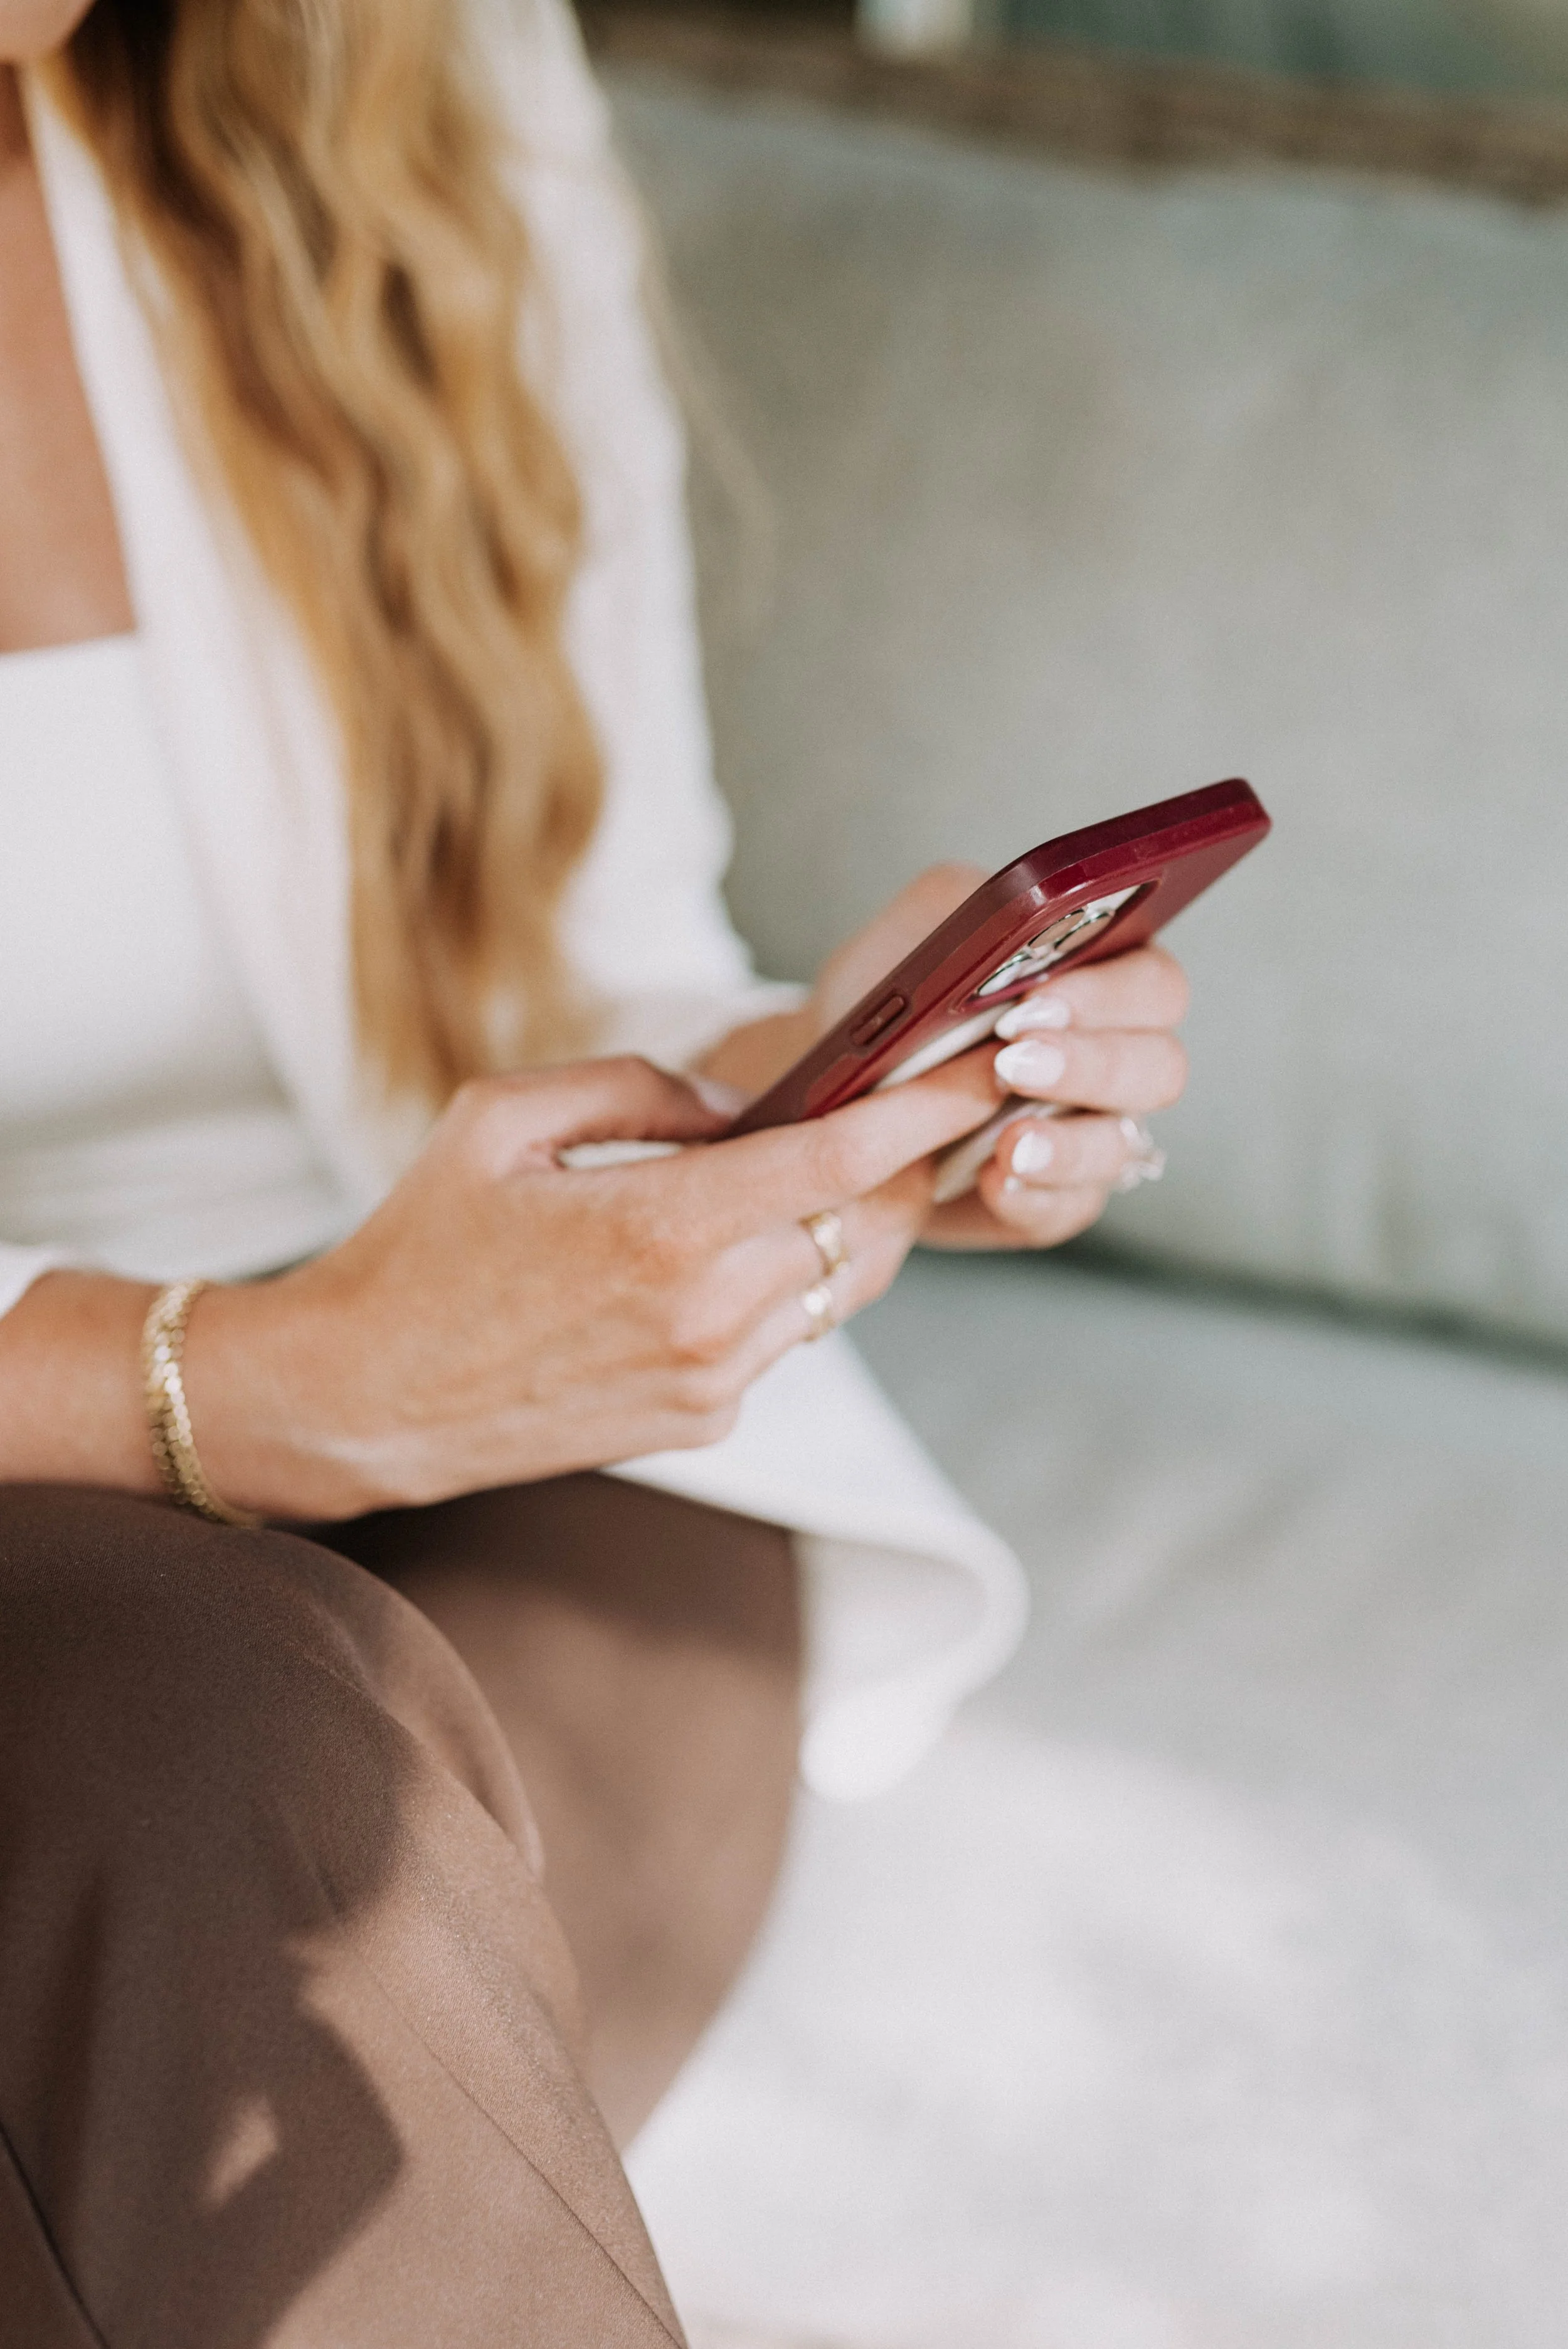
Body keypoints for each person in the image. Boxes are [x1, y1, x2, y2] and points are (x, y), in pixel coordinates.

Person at [0, 1, 1190, 2340]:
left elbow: (597, 962)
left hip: (530, 1457)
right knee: (211, 1730)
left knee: (289, 1838)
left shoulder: (405, 86)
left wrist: (834, 1105)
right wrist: (243, 1394)